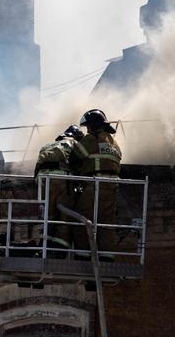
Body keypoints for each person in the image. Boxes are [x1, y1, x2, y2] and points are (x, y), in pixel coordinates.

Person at [71, 109, 122, 261]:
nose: (87, 130)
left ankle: (83, 255)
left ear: (92, 125)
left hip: (95, 185)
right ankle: (107, 256)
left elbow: (74, 158)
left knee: (81, 218)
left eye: (87, 126)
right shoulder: (114, 143)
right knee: (106, 222)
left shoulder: (91, 139)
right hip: (113, 187)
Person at [34, 125, 83, 255]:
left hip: (42, 179)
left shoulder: (48, 145)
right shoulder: (74, 143)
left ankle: (43, 247)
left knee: (48, 215)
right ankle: (59, 250)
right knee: (65, 215)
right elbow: (80, 165)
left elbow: (37, 167)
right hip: (61, 178)